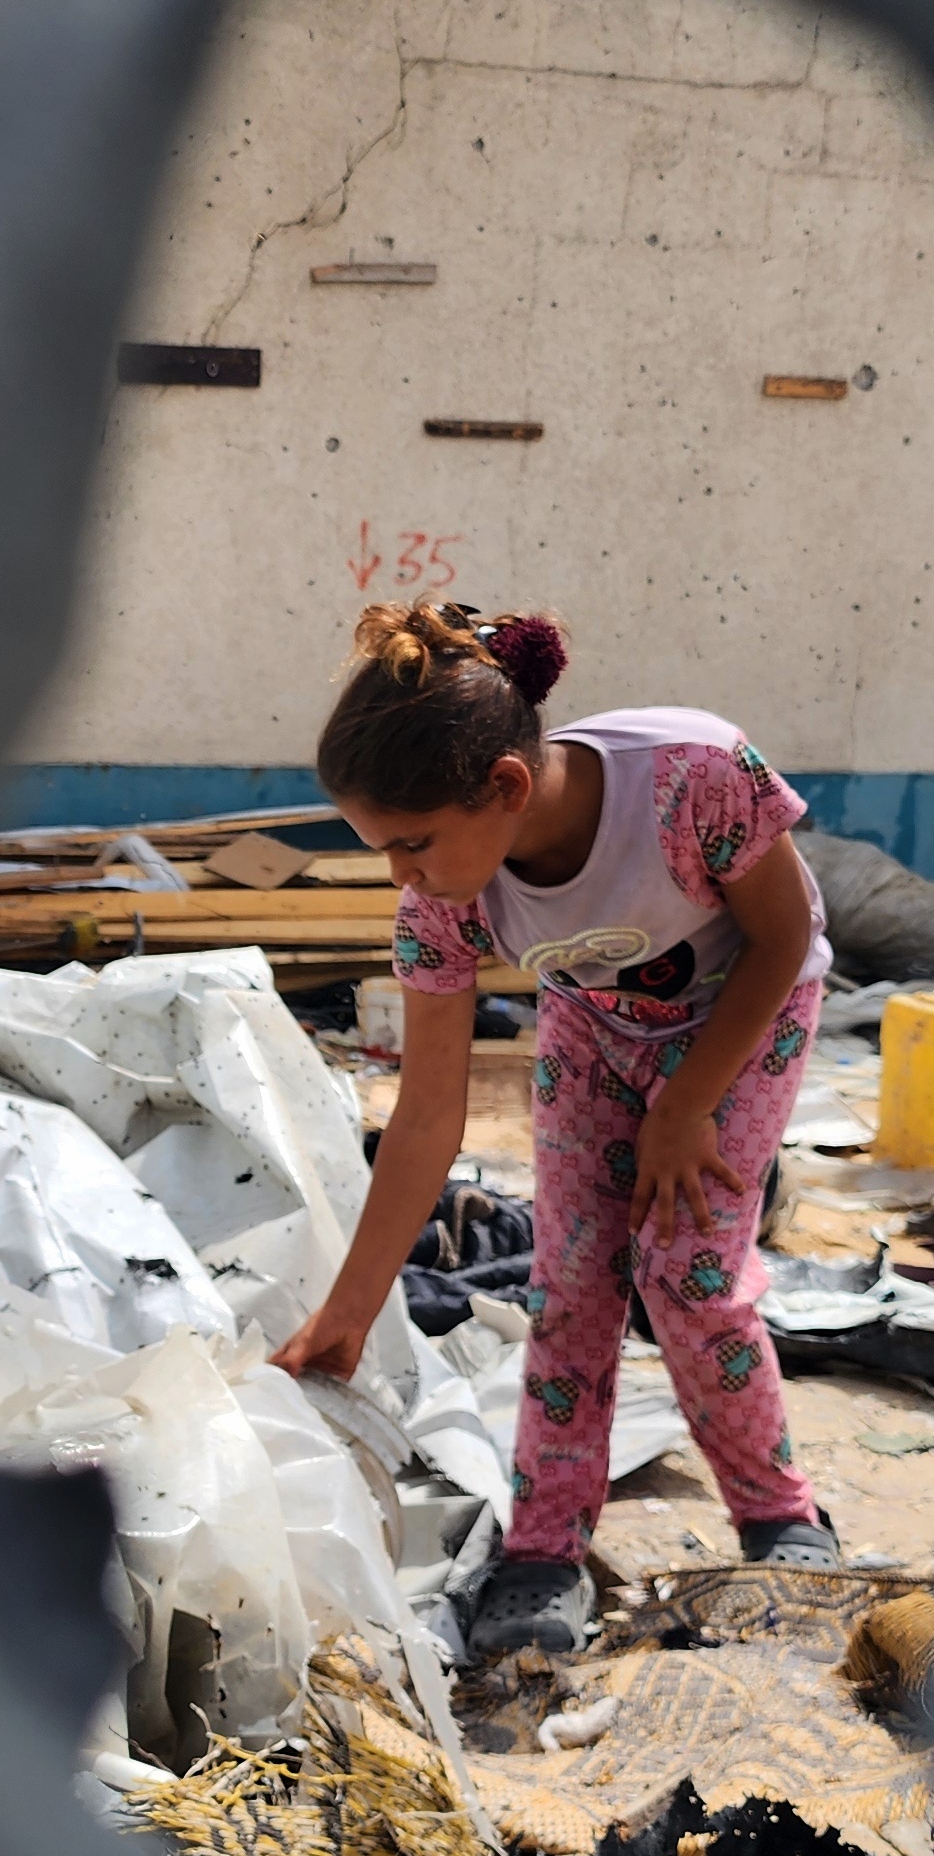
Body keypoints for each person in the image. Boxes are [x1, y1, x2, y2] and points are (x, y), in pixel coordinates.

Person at [272, 599, 840, 1659]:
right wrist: (350, 1308)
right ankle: (544, 1550)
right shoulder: (442, 899)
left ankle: (780, 1518)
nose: (402, 876)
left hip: (744, 1018)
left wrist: (686, 1104)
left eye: (411, 845)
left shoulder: (692, 774)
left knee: (689, 1273)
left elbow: (784, 933)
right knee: (569, 1280)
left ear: (506, 789)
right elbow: (428, 1113)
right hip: (595, 1026)